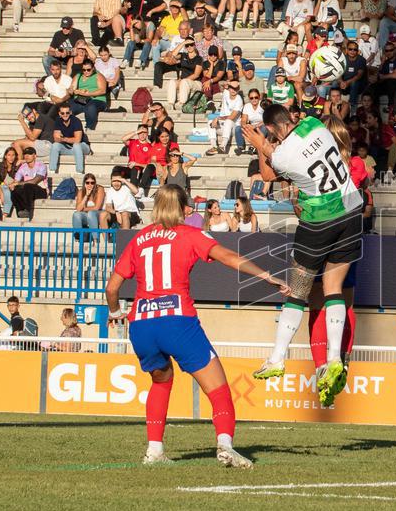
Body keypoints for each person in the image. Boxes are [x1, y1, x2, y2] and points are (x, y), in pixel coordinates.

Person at [106, 183, 288, 467]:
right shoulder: (189, 234)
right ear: (179, 208)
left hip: (141, 323)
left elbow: (112, 287)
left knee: (161, 381)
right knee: (218, 389)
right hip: (176, 320)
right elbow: (227, 257)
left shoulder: (139, 238)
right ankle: (225, 445)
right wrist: (266, 275)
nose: (191, 209)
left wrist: (116, 311)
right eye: (187, 205)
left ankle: (154, 450)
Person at [244, 105, 363, 405]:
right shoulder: (315, 126)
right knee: (334, 288)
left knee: (298, 291)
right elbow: (295, 140)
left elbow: (268, 174)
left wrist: (261, 145)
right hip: (350, 209)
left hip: (319, 218)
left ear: (272, 128)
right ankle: (335, 359)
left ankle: (277, 358)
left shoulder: (283, 155)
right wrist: (270, 142)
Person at [8, 146, 48, 221]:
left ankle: (28, 210)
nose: (27, 156)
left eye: (29, 154)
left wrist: (18, 183)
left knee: (28, 186)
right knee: (15, 190)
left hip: (41, 191)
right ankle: (20, 211)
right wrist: (13, 185)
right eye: (25, 154)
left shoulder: (42, 165)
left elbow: (35, 181)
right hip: (27, 191)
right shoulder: (22, 167)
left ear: (35, 156)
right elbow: (15, 181)